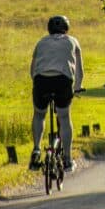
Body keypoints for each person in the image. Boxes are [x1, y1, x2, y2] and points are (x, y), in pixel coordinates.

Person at [29, 14, 84, 173]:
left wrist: (38, 83)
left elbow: (32, 70)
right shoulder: (73, 41)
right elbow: (79, 69)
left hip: (41, 81)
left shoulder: (40, 42)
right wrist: (77, 87)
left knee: (39, 114)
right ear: (66, 29)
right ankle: (67, 159)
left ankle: (37, 150)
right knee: (64, 116)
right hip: (62, 81)